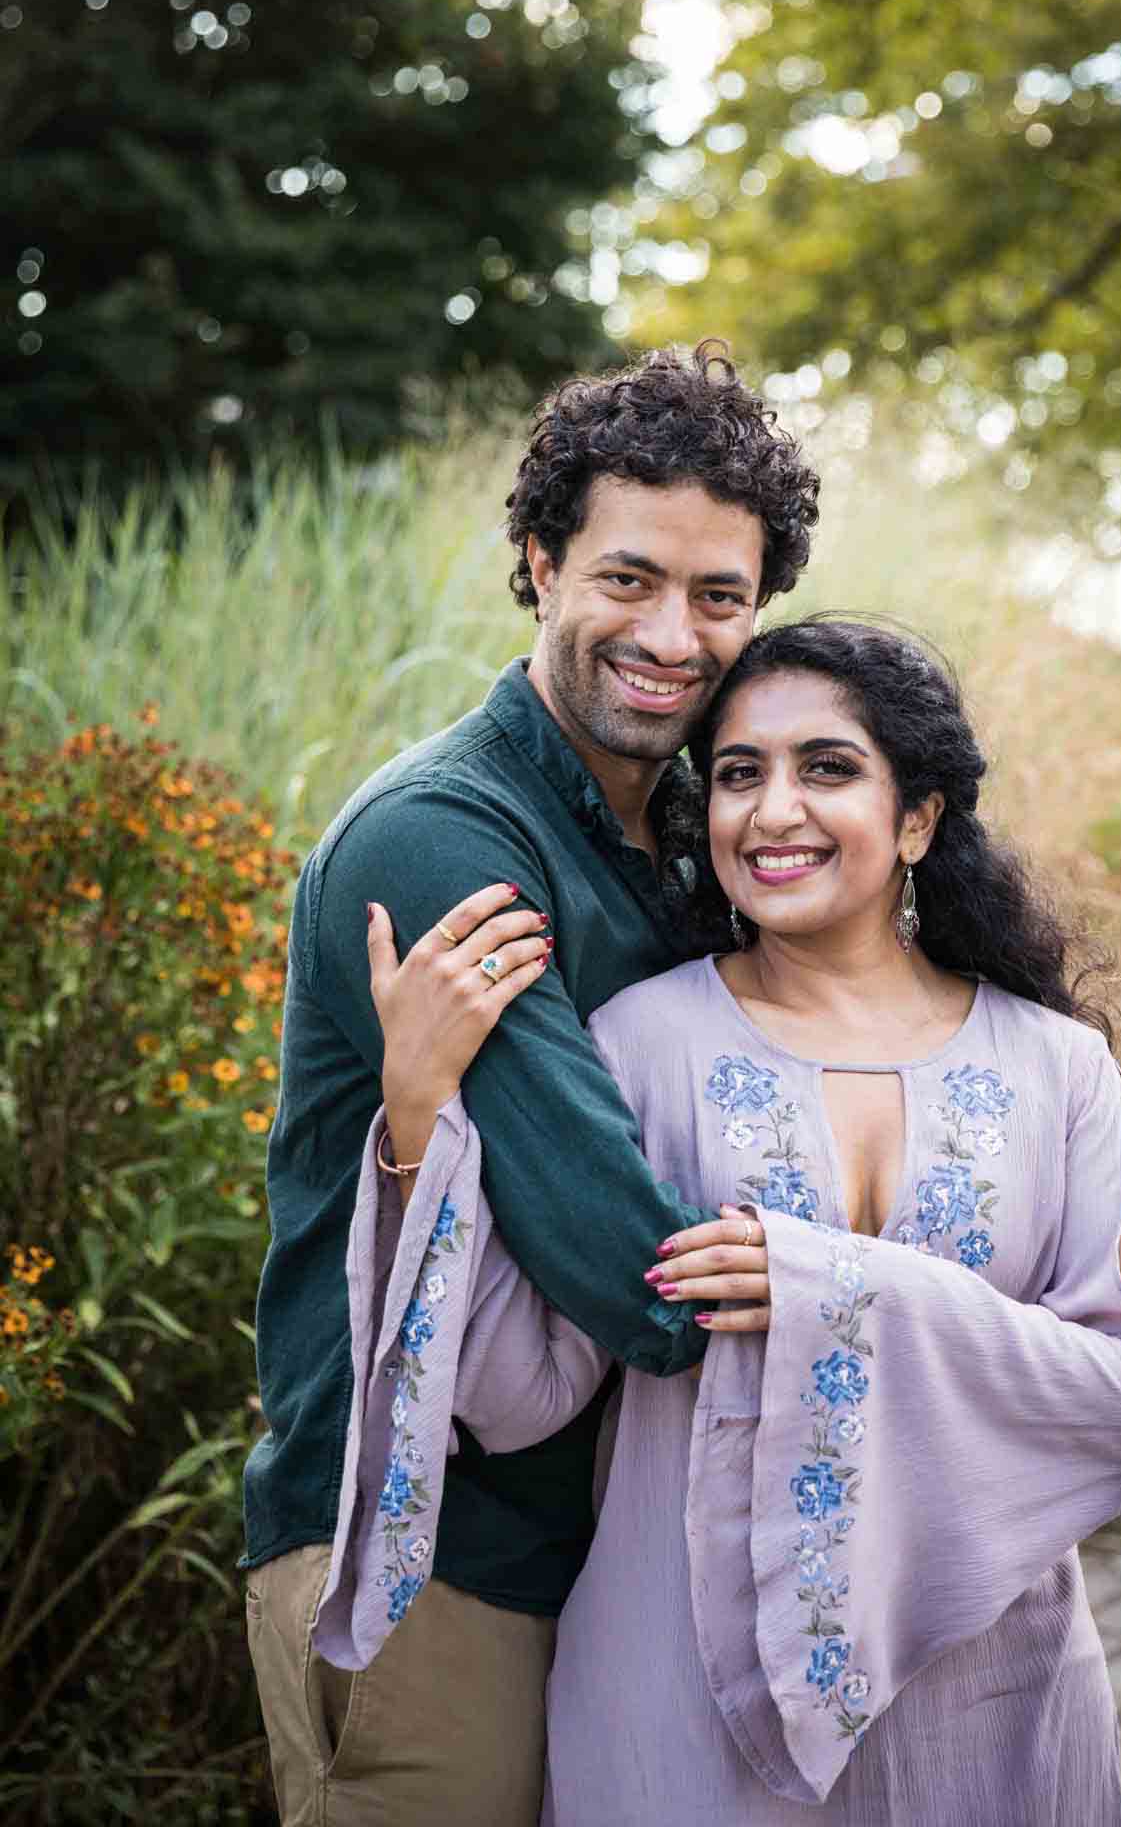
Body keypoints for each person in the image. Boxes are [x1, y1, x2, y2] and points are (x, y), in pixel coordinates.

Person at [317, 616, 1121, 1827]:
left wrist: (845, 1289)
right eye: (738, 772)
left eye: (827, 768)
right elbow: (517, 1388)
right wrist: (420, 1112)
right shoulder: (636, 1043)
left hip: (995, 1696)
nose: (771, 808)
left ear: (918, 819)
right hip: (677, 1690)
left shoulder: (1056, 1070)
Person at [242, 340, 821, 1825]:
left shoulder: (698, 835)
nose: (672, 635)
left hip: (622, 1559)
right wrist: (899, 1306)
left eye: (718, 597)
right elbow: (627, 1270)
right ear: (540, 562)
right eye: (628, 578)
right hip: (426, 1556)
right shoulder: (444, 840)